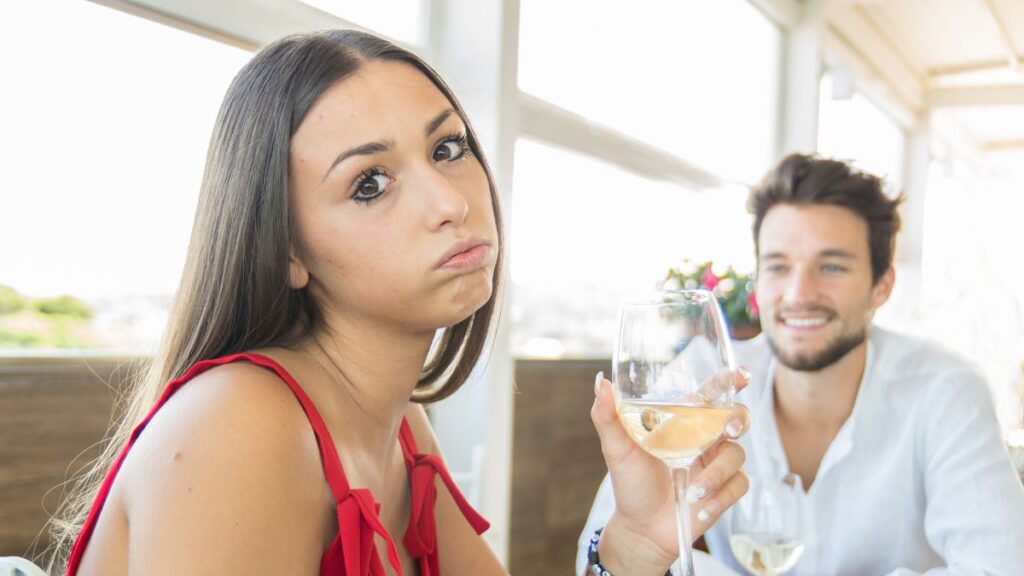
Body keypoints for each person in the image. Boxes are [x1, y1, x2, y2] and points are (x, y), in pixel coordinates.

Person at [42, 30, 751, 576]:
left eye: (447, 148)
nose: (451, 201)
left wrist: (629, 546)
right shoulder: (238, 423)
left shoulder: (400, 424)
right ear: (284, 248)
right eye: (369, 184)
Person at [579, 153, 1024, 575]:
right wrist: (637, 549)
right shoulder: (702, 381)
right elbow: (594, 562)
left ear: (881, 286)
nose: (797, 294)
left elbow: (1001, 566)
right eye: (777, 267)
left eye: (831, 267)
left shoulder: (946, 391)